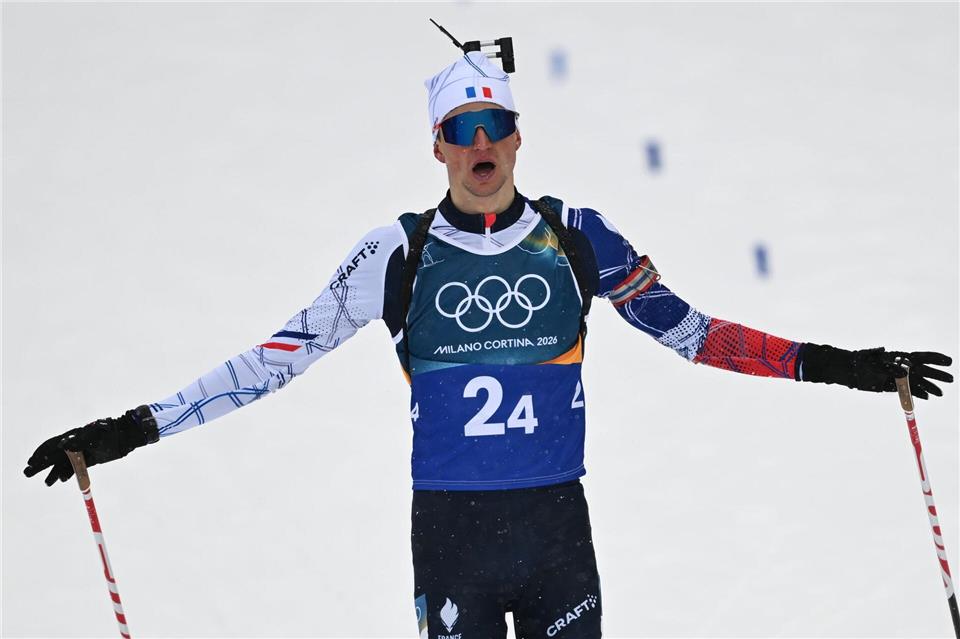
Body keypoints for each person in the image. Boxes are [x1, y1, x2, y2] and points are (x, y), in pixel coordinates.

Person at [24, 50, 954, 638]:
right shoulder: (399, 252)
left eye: (494, 126)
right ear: (437, 145)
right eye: (460, 130)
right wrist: (129, 428)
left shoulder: (577, 237)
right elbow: (275, 362)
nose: (480, 144)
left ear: (516, 135)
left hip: (557, 530)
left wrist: (844, 366)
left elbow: (696, 335)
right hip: (454, 535)